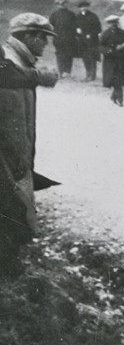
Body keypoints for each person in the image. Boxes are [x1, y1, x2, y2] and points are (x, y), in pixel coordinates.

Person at [0, 14, 59, 272]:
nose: (45, 44)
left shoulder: (19, 62)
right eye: (43, 38)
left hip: (16, 158)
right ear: (29, 36)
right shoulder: (11, 63)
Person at [99, 15, 124, 106]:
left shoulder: (123, 33)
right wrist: (109, 50)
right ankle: (119, 98)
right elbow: (100, 46)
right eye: (111, 23)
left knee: (119, 79)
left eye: (115, 22)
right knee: (114, 79)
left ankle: (115, 96)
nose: (113, 24)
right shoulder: (105, 34)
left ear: (117, 23)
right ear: (108, 24)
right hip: (110, 60)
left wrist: (123, 47)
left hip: (122, 60)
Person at [49, 0, 77, 78]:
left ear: (66, 4)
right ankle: (61, 72)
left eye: (64, 4)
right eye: (60, 4)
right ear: (57, 5)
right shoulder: (54, 14)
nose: (62, 5)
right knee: (60, 55)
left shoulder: (71, 14)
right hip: (58, 38)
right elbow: (51, 26)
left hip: (70, 39)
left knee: (69, 55)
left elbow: (75, 26)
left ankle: (67, 72)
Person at [74, 0, 101, 81]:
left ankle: (92, 75)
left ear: (87, 7)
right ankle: (87, 73)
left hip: (92, 41)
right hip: (82, 41)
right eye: (81, 7)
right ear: (79, 8)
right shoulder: (77, 17)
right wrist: (77, 30)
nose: (83, 8)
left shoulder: (93, 16)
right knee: (85, 57)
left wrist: (91, 34)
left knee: (92, 57)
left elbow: (99, 29)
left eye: (85, 6)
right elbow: (74, 27)